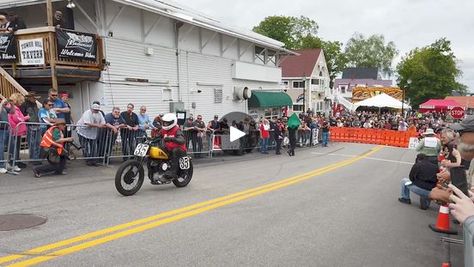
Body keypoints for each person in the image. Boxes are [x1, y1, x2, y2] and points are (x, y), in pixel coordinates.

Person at [156, 113, 186, 180]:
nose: (165, 124)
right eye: (164, 122)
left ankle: (173, 172)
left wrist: (172, 138)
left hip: (180, 149)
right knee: (158, 150)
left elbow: (182, 140)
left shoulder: (177, 129)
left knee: (175, 151)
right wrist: (150, 139)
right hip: (168, 148)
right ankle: (159, 168)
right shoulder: (163, 130)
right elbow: (157, 136)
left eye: (167, 123)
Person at [8, 93, 30, 171]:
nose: (22, 102)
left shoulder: (16, 108)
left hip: (17, 131)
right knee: (14, 148)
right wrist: (26, 117)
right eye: (21, 100)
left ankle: (16, 161)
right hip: (14, 130)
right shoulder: (13, 108)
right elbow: (17, 119)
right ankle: (13, 163)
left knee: (17, 147)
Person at [20, 92, 41, 164]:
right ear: (30, 97)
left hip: (37, 124)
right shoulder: (24, 105)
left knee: (37, 142)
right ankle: (33, 159)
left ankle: (36, 158)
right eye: (34, 97)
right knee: (32, 143)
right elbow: (22, 116)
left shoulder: (35, 104)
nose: (35, 99)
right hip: (30, 125)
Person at [0, 100, 12, 174]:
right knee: (0, 148)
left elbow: (12, 111)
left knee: (5, 147)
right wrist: (1, 104)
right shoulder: (1, 106)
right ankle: (1, 166)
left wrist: (12, 104)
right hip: (0, 129)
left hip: (5, 129)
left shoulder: (3, 106)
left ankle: (4, 164)